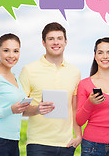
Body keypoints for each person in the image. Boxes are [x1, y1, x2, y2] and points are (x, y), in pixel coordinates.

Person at [19, 22, 81, 156]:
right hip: (38, 144)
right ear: (43, 42)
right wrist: (37, 109)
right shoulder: (29, 70)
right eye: (51, 39)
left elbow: (74, 107)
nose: (55, 42)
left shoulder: (75, 72)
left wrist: (78, 136)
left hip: (66, 144)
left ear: (65, 42)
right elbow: (20, 109)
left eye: (59, 38)